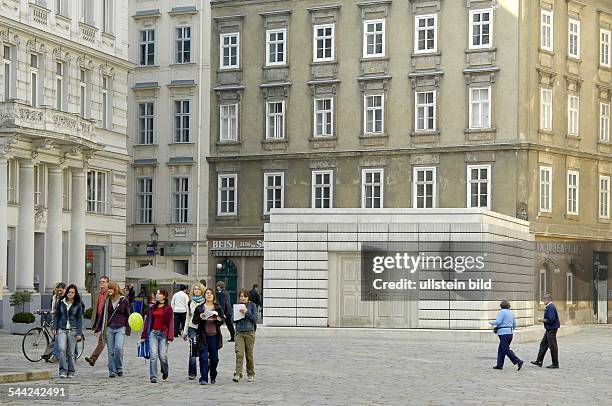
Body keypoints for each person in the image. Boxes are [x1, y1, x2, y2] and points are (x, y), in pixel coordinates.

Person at [94, 282, 131, 378]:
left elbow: (128, 315)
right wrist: (98, 328)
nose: (109, 290)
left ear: (116, 290)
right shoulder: (107, 301)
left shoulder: (123, 301)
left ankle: (119, 367)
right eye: (108, 289)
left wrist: (128, 329)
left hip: (120, 328)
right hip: (109, 328)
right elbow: (102, 315)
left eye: (111, 289)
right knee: (111, 351)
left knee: (118, 348)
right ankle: (112, 371)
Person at [193, 288, 225, 385]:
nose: (209, 295)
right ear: (204, 295)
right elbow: (194, 321)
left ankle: (213, 374)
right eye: (207, 293)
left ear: (213, 296)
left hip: (214, 336)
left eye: (211, 294)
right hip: (203, 336)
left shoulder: (217, 307)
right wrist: (200, 317)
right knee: (203, 358)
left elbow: (223, 320)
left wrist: (217, 318)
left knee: (214, 358)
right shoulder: (199, 308)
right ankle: (203, 378)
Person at [141, 289, 174, 383]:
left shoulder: (168, 308)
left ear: (164, 296)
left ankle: (165, 370)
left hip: (163, 334)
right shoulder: (152, 308)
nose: (157, 295)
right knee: (153, 355)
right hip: (153, 334)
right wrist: (144, 335)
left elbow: (171, 323)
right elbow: (147, 322)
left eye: (159, 293)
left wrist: (170, 337)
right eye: (157, 293)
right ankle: (153, 376)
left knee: (163, 356)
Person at [52, 284, 83, 378]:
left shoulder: (78, 304)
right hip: (62, 329)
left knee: (70, 352)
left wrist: (79, 333)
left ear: (75, 294)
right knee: (61, 349)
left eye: (72, 292)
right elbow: (57, 315)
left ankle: (71, 371)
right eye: (69, 292)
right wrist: (54, 327)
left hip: (73, 330)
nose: (70, 294)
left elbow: (79, 319)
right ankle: (62, 371)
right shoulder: (61, 302)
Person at [489, 299, 523, 371]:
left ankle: (518, 361)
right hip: (510, 333)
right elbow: (514, 324)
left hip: (503, 333)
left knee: (506, 349)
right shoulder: (510, 313)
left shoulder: (502, 312)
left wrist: (491, 322)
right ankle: (499, 365)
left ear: (501, 305)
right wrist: (510, 330)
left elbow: (498, 321)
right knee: (501, 349)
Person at [233, 289, 258, 383]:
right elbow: (233, 319)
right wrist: (237, 315)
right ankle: (238, 374)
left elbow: (255, 318)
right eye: (241, 296)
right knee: (239, 353)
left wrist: (246, 312)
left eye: (245, 296)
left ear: (248, 297)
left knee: (249, 355)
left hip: (249, 332)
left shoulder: (252, 305)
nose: (243, 298)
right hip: (239, 332)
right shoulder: (237, 306)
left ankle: (250, 373)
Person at [182, 283, 206, 380]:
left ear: (202, 291)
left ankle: (204, 371)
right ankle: (192, 372)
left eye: (198, 289)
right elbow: (188, 317)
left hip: (203, 328)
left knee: (203, 350)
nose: (196, 291)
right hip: (192, 327)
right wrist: (185, 331)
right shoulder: (190, 302)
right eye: (195, 289)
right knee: (193, 349)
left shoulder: (205, 302)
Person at [85, 276, 109, 367]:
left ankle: (93, 358)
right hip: (100, 319)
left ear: (107, 283)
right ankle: (93, 358)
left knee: (105, 341)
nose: (101, 283)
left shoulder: (110, 293)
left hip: (108, 320)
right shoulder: (98, 293)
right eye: (100, 282)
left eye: (103, 281)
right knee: (102, 341)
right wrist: (95, 323)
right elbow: (96, 307)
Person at [531, 293, 560, 369]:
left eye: (545, 299)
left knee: (552, 346)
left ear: (549, 299)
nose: (543, 300)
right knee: (543, 344)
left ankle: (555, 364)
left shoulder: (550, 307)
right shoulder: (549, 307)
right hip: (549, 329)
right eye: (543, 299)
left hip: (551, 329)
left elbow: (552, 319)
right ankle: (539, 361)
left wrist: (542, 320)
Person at [45, 283, 66, 362]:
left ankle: (56, 356)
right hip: (57, 321)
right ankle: (52, 355)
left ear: (65, 289)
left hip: (66, 322)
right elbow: (54, 309)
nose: (59, 291)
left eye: (61, 290)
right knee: (57, 339)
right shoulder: (56, 297)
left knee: (59, 339)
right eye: (58, 290)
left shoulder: (68, 297)